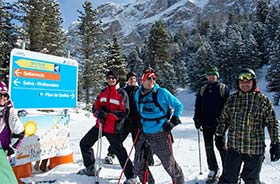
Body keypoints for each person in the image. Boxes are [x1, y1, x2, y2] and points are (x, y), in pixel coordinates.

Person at [216, 68, 280, 184]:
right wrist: (219, 135)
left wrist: (275, 142)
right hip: (234, 147)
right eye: (242, 82)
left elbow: (272, 122)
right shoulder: (232, 100)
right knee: (227, 179)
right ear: (238, 83)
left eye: (248, 82)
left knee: (251, 179)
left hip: (254, 149)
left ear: (253, 82)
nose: (245, 84)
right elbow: (224, 120)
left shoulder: (262, 100)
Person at [77, 70, 139, 184]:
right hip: (100, 125)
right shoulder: (103, 92)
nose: (111, 80)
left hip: (113, 129)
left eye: (113, 78)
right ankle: (90, 167)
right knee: (84, 143)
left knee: (120, 152)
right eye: (109, 78)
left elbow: (124, 112)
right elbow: (95, 108)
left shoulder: (121, 93)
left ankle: (132, 176)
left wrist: (108, 115)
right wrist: (98, 113)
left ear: (117, 80)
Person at [133, 67, 185, 184]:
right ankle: (149, 182)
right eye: (149, 78)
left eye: (154, 78)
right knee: (138, 164)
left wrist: (173, 120)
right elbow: (139, 110)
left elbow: (178, 105)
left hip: (161, 134)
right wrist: (140, 121)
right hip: (145, 133)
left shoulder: (161, 92)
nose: (152, 80)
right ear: (142, 80)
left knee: (169, 165)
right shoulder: (137, 94)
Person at [193, 66, 229, 181]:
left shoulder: (223, 88)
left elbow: (228, 106)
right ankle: (213, 169)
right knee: (208, 147)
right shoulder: (203, 89)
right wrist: (197, 119)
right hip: (206, 123)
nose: (211, 76)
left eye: (214, 74)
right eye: (209, 74)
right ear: (207, 76)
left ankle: (228, 170)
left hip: (220, 124)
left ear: (217, 76)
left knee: (221, 147)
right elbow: (198, 105)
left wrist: (227, 120)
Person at [104, 71, 141, 165]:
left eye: (133, 79)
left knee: (138, 141)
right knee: (119, 139)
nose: (132, 80)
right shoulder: (123, 91)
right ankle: (110, 154)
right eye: (130, 79)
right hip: (126, 120)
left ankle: (141, 158)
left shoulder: (139, 90)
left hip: (137, 120)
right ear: (127, 80)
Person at [0, 81, 25, 158]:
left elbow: (20, 132)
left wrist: (11, 149)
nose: (3, 97)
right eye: (0, 94)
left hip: (2, 153)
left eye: (5, 95)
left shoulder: (9, 111)